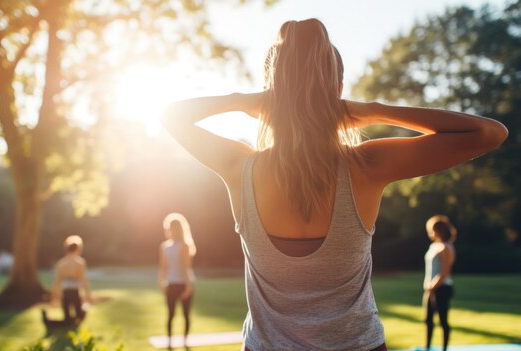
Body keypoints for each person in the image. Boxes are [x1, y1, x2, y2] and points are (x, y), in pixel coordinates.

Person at [160, 18, 507, 351]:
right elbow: (489, 133)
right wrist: (374, 110)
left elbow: (169, 115)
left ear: (272, 91)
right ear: (339, 90)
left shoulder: (239, 166)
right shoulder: (366, 165)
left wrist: (245, 101)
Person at [158, 213, 196, 348]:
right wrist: (162, 282)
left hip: (184, 284)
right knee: (171, 315)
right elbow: (163, 267)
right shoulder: (165, 247)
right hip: (171, 284)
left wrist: (189, 286)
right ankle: (169, 343)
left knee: (186, 315)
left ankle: (185, 342)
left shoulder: (184, 245)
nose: (172, 230)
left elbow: (186, 268)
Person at [423, 215, 457, 351]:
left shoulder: (446, 247)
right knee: (428, 320)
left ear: (439, 230)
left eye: (432, 230)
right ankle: (427, 347)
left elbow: (444, 272)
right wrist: (428, 287)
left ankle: (444, 348)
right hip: (430, 288)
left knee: (443, 320)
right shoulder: (434, 246)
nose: (430, 233)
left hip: (442, 288)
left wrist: (433, 286)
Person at [43, 235, 93, 327]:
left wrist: (54, 294)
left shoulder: (61, 263)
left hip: (65, 291)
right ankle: (71, 322)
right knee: (78, 315)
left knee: (68, 316)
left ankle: (67, 322)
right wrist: (88, 294)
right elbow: (84, 281)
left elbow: (57, 281)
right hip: (75, 291)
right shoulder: (80, 263)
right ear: (78, 249)